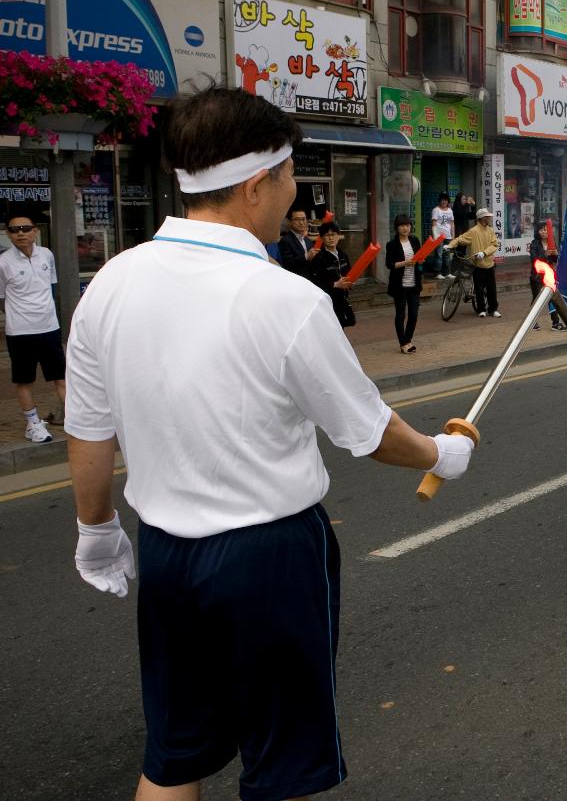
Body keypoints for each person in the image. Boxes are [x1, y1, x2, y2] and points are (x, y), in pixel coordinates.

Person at [63, 87, 475, 801]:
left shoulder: (112, 283)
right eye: (290, 177)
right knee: (285, 766)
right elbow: (369, 431)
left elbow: (88, 429)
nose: (296, 194)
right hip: (268, 556)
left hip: (165, 551)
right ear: (257, 184)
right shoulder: (281, 296)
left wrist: (95, 527)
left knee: (172, 757)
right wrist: (441, 452)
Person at [0, 213, 66, 443]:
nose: (20, 233)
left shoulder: (46, 254)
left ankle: (75, 419)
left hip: (49, 328)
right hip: (20, 332)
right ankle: (33, 424)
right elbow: (1, 298)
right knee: (24, 380)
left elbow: (51, 287)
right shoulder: (3, 262)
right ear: (8, 233)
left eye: (25, 228)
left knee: (61, 376)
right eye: (14, 229)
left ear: (35, 231)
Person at [449, 207, 501, 318]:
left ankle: (493, 309)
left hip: (489, 263)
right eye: (487, 217)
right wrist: (450, 245)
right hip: (478, 265)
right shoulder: (473, 231)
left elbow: (495, 245)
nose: (489, 218)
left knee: (492, 288)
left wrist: (484, 253)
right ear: (482, 218)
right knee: (479, 289)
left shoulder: (490, 230)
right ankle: (481, 309)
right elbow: (460, 239)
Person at [385, 214, 423, 354]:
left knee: (414, 314)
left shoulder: (415, 241)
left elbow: (419, 257)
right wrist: (405, 263)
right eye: (402, 225)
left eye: (407, 225)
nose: (405, 228)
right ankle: (403, 343)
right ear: (397, 228)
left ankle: (408, 340)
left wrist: (420, 260)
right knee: (400, 315)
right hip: (399, 285)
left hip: (414, 283)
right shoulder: (392, 244)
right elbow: (389, 264)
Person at [309, 222, 355, 328]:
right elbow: (315, 282)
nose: (331, 238)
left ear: (338, 236)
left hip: (342, 299)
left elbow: (349, 273)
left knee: (341, 328)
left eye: (334, 234)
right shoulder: (319, 258)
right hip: (328, 301)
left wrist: (350, 283)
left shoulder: (343, 255)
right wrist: (335, 284)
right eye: (327, 235)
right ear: (321, 238)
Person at [528, 220, 564, 331]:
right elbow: (534, 259)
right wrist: (545, 254)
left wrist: (556, 255)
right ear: (538, 232)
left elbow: (555, 260)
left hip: (549, 276)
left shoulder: (551, 242)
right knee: (537, 300)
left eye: (546, 229)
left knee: (553, 299)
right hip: (537, 276)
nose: (544, 232)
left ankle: (556, 322)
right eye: (542, 229)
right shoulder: (535, 243)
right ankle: (531, 322)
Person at [277, 207, 317, 276]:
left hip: (311, 278)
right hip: (296, 278)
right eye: (297, 219)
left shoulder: (308, 240)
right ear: (290, 221)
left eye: (303, 219)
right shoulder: (285, 241)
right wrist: (306, 256)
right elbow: (287, 264)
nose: (301, 223)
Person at [430, 192, 455, 279]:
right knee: (439, 254)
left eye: (446, 200)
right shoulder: (436, 210)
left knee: (447, 255)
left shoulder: (450, 210)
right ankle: (437, 273)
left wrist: (453, 236)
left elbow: (452, 224)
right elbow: (433, 224)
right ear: (440, 201)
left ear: (448, 201)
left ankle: (447, 272)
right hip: (439, 236)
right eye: (442, 200)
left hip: (448, 236)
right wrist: (435, 236)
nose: (444, 202)